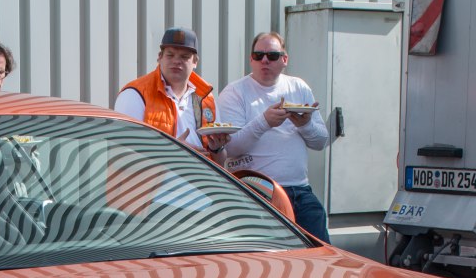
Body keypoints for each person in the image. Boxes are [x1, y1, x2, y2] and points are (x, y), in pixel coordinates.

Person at [218, 32, 332, 241]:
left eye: (272, 55)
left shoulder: (298, 87)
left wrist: (306, 125)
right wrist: (264, 122)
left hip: (299, 190)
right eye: (258, 55)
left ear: (284, 60)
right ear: (251, 59)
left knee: (322, 253)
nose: (264, 60)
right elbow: (229, 149)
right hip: (254, 191)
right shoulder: (235, 92)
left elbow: (321, 141)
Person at [113, 27, 228, 159]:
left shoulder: (206, 99)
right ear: (159, 57)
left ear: (195, 62)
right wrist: (172, 151)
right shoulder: (135, 95)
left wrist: (217, 149)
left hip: (198, 179)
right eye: (170, 55)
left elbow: (219, 164)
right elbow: (123, 154)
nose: (176, 61)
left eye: (184, 57)